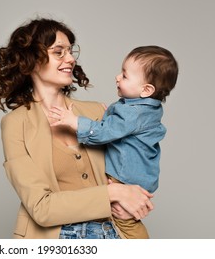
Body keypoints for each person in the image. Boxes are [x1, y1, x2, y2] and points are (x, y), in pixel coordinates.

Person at [0, 17, 154, 239]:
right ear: (32, 61)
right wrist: (112, 193)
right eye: (59, 52)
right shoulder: (15, 124)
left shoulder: (98, 112)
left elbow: (136, 168)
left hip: (113, 233)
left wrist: (127, 196)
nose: (70, 59)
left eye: (70, 51)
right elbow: (41, 208)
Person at [48, 45, 179, 238]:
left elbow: (104, 132)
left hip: (126, 178)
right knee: (124, 220)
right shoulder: (144, 108)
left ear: (146, 89)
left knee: (124, 219)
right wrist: (109, 113)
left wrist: (74, 121)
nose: (118, 77)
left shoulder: (132, 113)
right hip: (141, 176)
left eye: (125, 76)